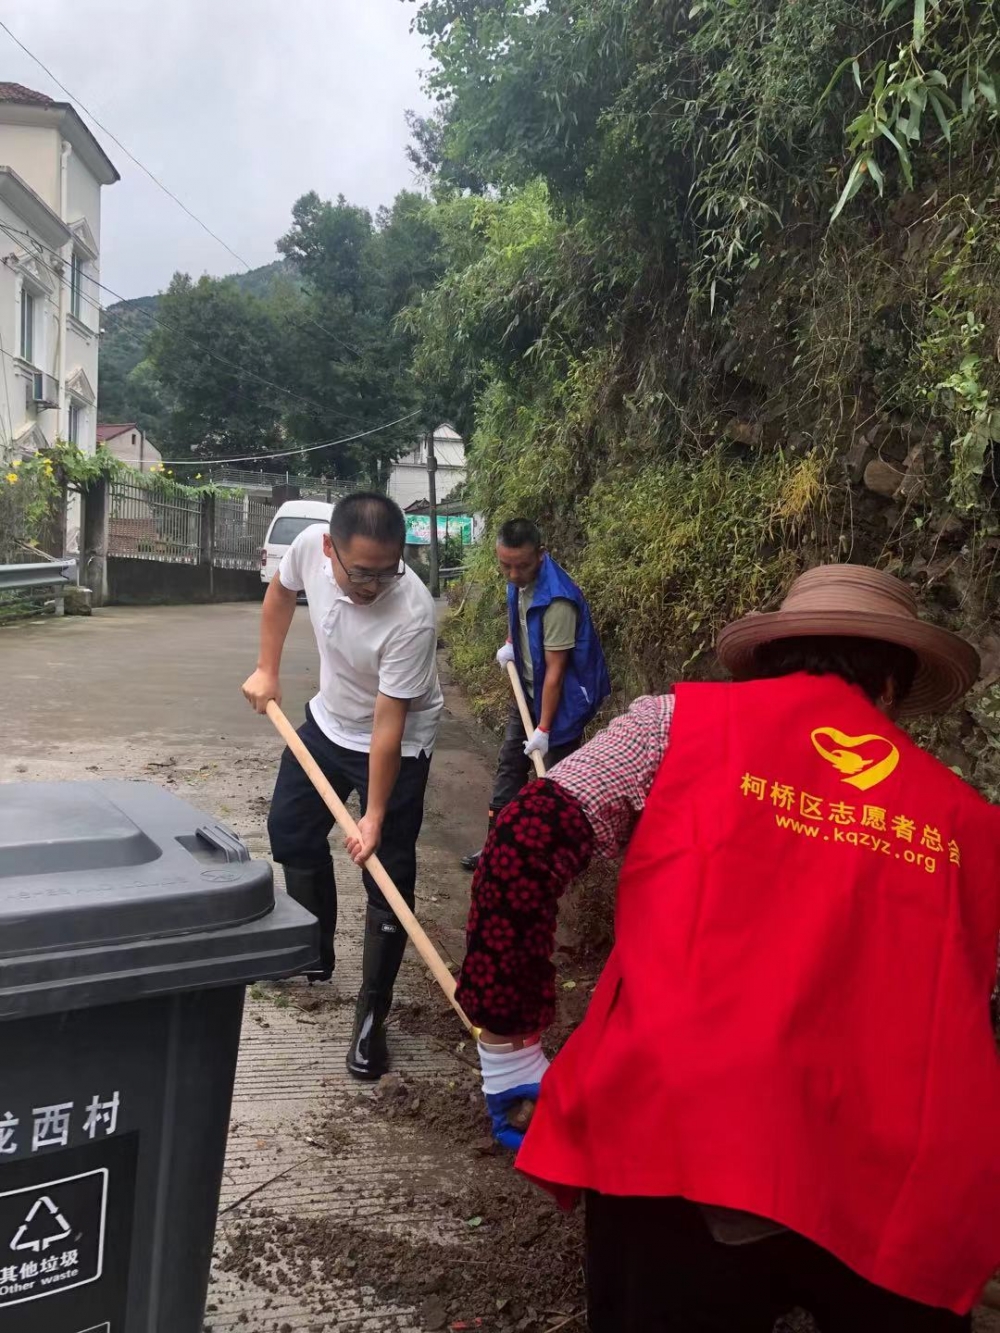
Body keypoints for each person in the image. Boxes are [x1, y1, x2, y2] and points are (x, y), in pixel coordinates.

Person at [456, 564, 1000, 1332]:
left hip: (675, 1136)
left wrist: (509, 1044)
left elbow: (525, 836)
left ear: (773, 658)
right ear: (891, 687)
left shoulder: (673, 727)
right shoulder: (967, 824)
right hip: (878, 1170)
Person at [241, 492, 443, 1081]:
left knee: (387, 869)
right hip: (328, 721)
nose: (373, 586)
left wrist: (374, 814)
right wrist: (268, 667)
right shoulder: (308, 547)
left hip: (396, 743)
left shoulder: (412, 614)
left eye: (387, 572)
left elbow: (387, 725)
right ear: (330, 548)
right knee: (290, 829)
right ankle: (312, 951)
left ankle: (371, 1013)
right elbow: (280, 593)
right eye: (361, 573)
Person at [461, 518, 610, 871]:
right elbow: (521, 619)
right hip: (527, 691)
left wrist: (543, 729)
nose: (512, 574)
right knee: (510, 767)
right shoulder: (518, 578)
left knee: (553, 785)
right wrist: (512, 645)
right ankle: (497, 849)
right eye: (505, 565)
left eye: (521, 566)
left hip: (562, 704)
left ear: (540, 557)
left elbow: (556, 672)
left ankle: (549, 863)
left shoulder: (558, 600)